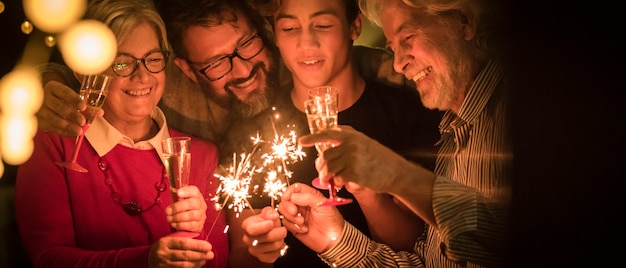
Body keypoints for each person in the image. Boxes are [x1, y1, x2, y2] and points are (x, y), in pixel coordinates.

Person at [251, 0, 513, 267]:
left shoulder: (513, 115)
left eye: (408, 37)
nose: (398, 64)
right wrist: (335, 240)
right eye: (392, 48)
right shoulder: (453, 130)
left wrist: (396, 175)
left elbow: (496, 244)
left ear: (464, 22)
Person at [14, 0, 229, 267]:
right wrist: (146, 260)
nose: (142, 77)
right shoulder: (53, 144)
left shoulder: (200, 154)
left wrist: (193, 239)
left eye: (152, 59)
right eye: (121, 63)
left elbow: (219, 259)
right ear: (83, 72)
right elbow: (48, 258)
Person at [232, 0, 441, 267]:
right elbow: (241, 255)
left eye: (323, 25)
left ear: (354, 26)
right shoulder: (250, 136)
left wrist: (368, 193)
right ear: (275, 35)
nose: (306, 43)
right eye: (289, 28)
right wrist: (261, 251)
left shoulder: (410, 114)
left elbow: (418, 249)